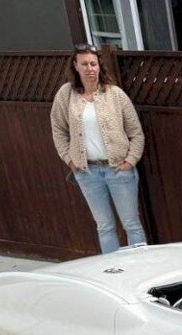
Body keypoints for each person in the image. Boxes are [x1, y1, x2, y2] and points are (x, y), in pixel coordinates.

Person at [50, 44, 147, 254]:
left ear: (99, 66)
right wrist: (70, 160)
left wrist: (130, 161)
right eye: (84, 64)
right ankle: (112, 272)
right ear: (75, 66)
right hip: (88, 173)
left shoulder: (115, 94)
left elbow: (136, 132)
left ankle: (142, 267)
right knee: (104, 226)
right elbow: (58, 130)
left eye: (93, 63)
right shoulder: (65, 95)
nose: (89, 68)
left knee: (131, 224)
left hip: (119, 171)